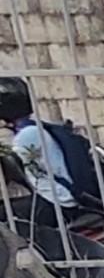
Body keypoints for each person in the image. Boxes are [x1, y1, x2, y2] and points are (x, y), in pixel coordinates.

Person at [1, 75, 78, 239]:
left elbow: (14, 168)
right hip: (58, 197)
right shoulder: (32, 128)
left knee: (3, 215)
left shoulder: (26, 136)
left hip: (56, 201)